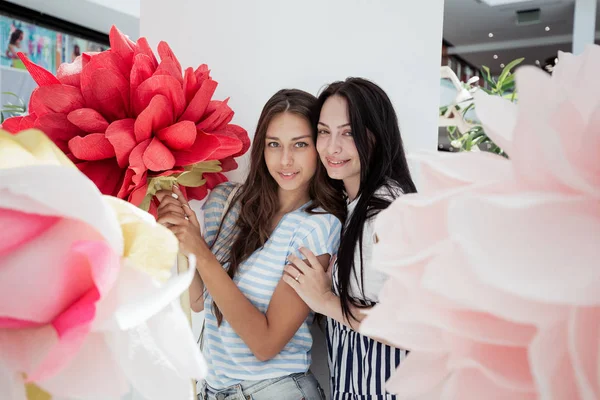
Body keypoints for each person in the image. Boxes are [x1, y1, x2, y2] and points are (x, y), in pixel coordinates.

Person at [156, 89, 345, 400]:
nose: (286, 160)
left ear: (318, 149)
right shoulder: (228, 200)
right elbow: (199, 301)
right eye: (274, 144)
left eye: (300, 144)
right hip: (214, 390)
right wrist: (182, 236)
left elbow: (266, 344)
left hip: (276, 391)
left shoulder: (318, 227)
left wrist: (201, 253)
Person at [283, 77, 417, 399]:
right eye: (324, 132)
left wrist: (326, 301)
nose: (332, 147)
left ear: (376, 136)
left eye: (349, 132)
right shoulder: (351, 205)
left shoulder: (388, 212)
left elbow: (408, 326)